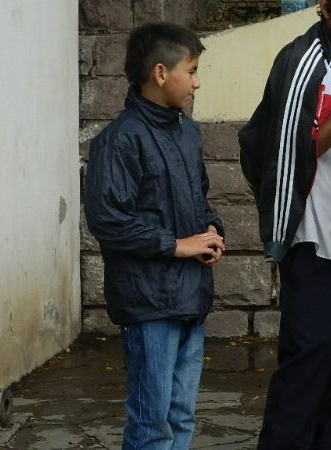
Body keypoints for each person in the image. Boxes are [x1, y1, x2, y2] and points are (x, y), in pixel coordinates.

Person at [238, 0, 331, 447]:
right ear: (325, 7)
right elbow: (301, 149)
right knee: (307, 358)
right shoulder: (303, 59)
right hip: (311, 238)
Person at [84, 22, 225, 450]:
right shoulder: (119, 141)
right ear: (161, 73)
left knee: (181, 416)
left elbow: (199, 199)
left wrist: (212, 229)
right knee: (152, 422)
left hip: (190, 297)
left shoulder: (187, 132)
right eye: (192, 70)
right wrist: (177, 245)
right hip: (148, 302)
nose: (197, 82)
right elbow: (108, 220)